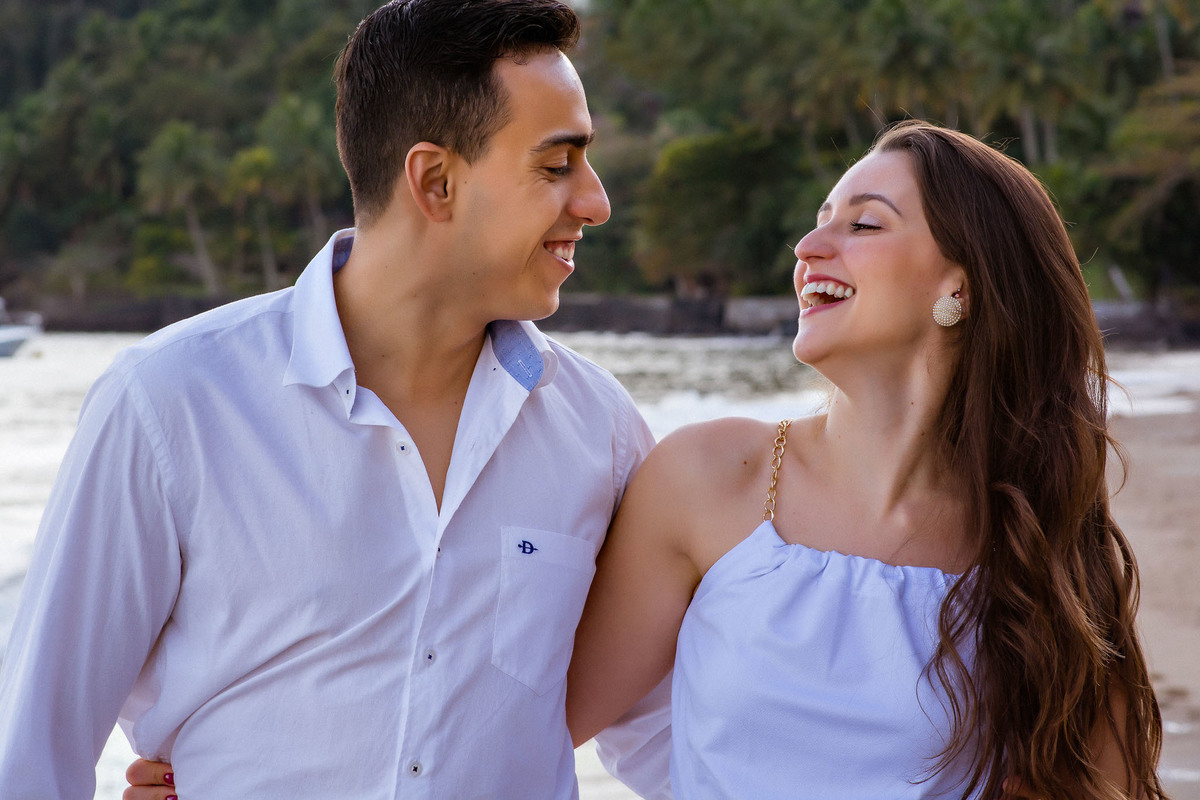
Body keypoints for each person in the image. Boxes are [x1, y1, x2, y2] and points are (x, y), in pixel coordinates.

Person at [0, 1, 671, 798]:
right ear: (435, 181)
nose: (595, 202)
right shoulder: (168, 405)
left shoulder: (602, 434)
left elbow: (668, 732)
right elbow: (33, 750)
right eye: (557, 165)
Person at [566, 121, 1167, 798]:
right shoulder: (709, 476)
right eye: (821, 221)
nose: (809, 247)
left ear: (961, 286)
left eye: (865, 225)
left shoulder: (1033, 543)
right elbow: (538, 724)